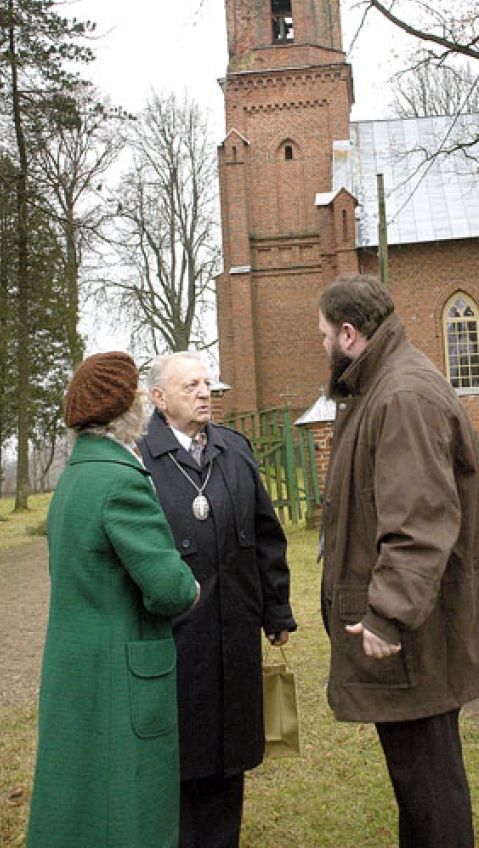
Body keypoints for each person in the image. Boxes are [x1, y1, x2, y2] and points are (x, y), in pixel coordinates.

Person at [317, 275, 479, 848]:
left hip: (416, 636)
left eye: (323, 337)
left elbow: (418, 520)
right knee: (417, 785)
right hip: (413, 634)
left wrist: (387, 614)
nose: (323, 350)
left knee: (431, 788)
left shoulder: (402, 395)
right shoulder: (381, 386)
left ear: (348, 333)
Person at [26, 351, 199, 848]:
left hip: (78, 668)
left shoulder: (75, 479)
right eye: (139, 394)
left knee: (81, 804)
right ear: (127, 409)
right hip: (121, 676)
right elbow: (167, 586)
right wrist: (191, 586)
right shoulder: (120, 480)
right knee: (131, 808)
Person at [137, 351, 296, 848]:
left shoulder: (234, 450)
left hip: (235, 633)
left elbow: (267, 536)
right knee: (182, 760)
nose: (205, 393)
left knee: (231, 755)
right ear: (159, 399)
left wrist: (276, 609)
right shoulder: (138, 458)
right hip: (176, 640)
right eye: (191, 386)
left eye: (207, 383)